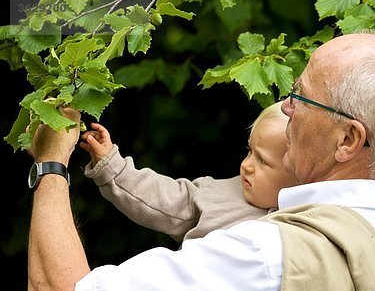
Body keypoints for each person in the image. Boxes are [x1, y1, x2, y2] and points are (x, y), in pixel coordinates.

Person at [25, 30, 375, 291]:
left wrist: (51, 163)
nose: (287, 108)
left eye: (302, 96)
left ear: (348, 139)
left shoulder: (267, 255)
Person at [79, 102, 297, 242]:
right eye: (250, 151)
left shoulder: (307, 226)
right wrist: (113, 167)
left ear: (300, 176)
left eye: (263, 161)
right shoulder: (218, 194)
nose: (246, 165)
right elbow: (164, 198)